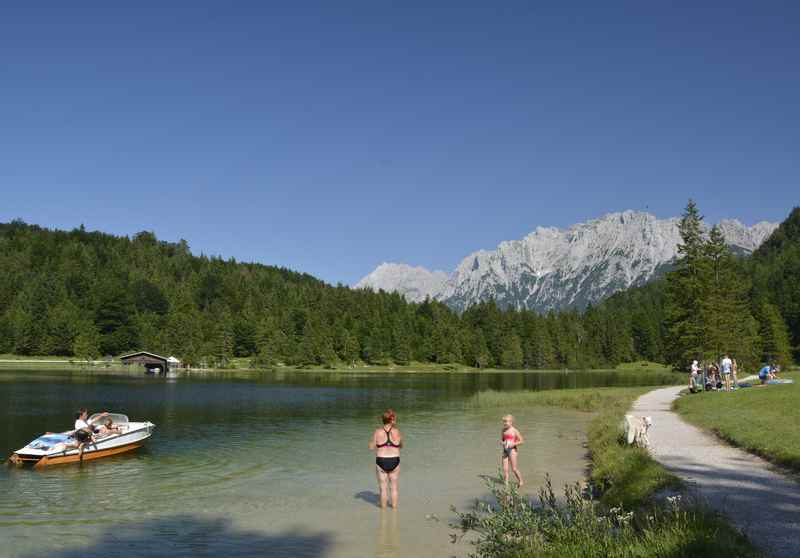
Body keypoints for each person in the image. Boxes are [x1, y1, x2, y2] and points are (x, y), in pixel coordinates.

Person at [368, 409, 403, 509]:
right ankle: (394, 510)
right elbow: (401, 445)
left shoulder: (378, 431)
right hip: (394, 460)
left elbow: (371, 447)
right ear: (392, 419)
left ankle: (383, 511)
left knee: (383, 488)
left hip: (381, 461)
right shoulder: (397, 431)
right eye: (394, 418)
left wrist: (373, 443)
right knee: (394, 487)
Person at [501, 414, 524, 487]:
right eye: (503, 422)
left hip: (512, 450)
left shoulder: (514, 431)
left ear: (511, 422)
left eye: (506, 421)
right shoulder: (503, 430)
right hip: (505, 450)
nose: (504, 423)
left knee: (514, 469)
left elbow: (522, 441)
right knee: (505, 469)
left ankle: (521, 481)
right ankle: (506, 484)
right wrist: (502, 443)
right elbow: (502, 440)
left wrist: (513, 444)